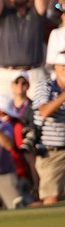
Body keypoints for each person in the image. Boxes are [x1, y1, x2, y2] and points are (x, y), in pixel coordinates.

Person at [32, 51, 65, 204]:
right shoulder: (45, 86)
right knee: (51, 198)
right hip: (52, 153)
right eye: (62, 67)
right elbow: (44, 111)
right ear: (55, 68)